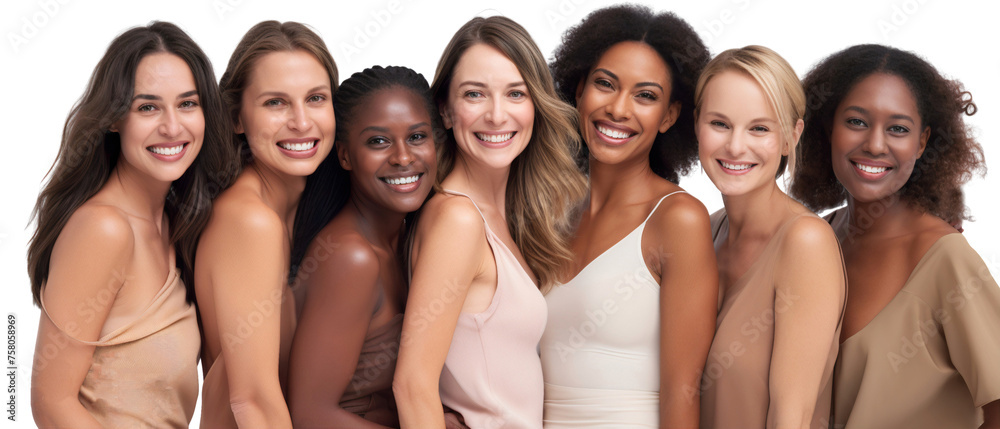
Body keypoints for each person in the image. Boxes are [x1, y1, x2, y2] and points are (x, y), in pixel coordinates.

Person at [27, 21, 231, 428]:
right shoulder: (104, 229)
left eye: (188, 104)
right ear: (115, 118)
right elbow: (51, 403)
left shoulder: (177, 226)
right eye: (148, 107)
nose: (173, 127)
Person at [392, 16, 587, 429]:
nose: (497, 115)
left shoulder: (505, 217)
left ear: (535, 104)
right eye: (475, 94)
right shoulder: (457, 219)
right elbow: (412, 384)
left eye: (515, 93)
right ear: (445, 110)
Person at [791, 44, 1000, 429]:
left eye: (898, 129)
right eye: (856, 121)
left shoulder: (945, 258)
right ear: (826, 128)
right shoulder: (818, 239)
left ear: (922, 143)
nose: (874, 143)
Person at [540, 5, 717, 427]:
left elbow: (682, 392)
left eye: (646, 95)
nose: (618, 109)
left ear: (670, 115)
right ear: (578, 88)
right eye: (605, 84)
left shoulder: (678, 219)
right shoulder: (551, 209)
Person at [194, 20, 337, 429]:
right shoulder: (250, 220)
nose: (301, 122)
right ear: (237, 118)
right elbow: (252, 400)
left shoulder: (305, 210)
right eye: (276, 103)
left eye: (315, 98)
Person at [695, 46, 846, 428]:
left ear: (790, 137)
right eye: (719, 123)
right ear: (696, 124)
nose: (735, 146)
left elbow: (790, 417)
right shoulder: (706, 231)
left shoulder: (805, 242)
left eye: (759, 128)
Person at [286, 65, 440, 428]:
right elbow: (309, 415)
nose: (403, 157)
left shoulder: (407, 238)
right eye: (378, 141)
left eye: (417, 137)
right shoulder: (350, 257)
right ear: (344, 156)